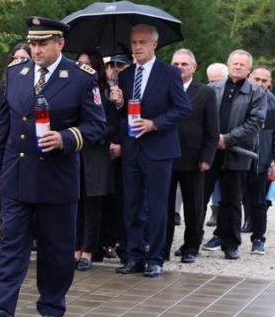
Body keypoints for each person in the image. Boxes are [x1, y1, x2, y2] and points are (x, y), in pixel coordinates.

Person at [0, 17, 108, 317]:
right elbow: (4, 125)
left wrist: (65, 138)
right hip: (18, 174)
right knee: (11, 244)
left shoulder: (80, 77)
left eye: (42, 43)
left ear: (59, 43)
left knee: (57, 249)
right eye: (32, 43)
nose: (35, 49)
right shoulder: (15, 73)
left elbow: (98, 125)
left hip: (57, 177)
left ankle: (51, 305)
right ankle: (2, 308)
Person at [108, 24, 191, 278]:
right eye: (133, 43)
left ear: (154, 44)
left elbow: (183, 109)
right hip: (132, 149)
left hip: (159, 149)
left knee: (156, 206)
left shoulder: (169, 73)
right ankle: (134, 256)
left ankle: (155, 258)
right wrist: (120, 103)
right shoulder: (125, 74)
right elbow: (124, 114)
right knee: (131, 205)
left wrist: (155, 124)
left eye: (143, 42)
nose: (137, 47)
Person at [202, 50, 266, 260]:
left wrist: (226, 139)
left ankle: (231, 244)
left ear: (249, 70)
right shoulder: (213, 88)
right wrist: (214, 139)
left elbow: (255, 124)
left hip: (237, 154)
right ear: (228, 66)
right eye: (234, 63)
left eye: (242, 64)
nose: (237, 67)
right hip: (210, 153)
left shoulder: (257, 93)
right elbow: (201, 116)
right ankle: (192, 242)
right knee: (199, 198)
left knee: (232, 201)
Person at [164, 49, 219, 265]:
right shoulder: (164, 90)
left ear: (194, 67)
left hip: (194, 158)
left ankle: (190, 247)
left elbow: (212, 128)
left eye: (184, 64)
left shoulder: (205, 93)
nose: (179, 68)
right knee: (165, 206)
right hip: (166, 157)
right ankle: (163, 247)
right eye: (175, 64)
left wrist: (207, 156)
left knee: (194, 206)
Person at [74, 50, 119, 270]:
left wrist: (89, 133)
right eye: (79, 63)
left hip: (96, 155)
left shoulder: (106, 92)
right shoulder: (71, 89)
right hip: (75, 153)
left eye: (88, 64)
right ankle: (75, 249)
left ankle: (88, 252)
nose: (82, 67)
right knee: (75, 204)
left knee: (92, 206)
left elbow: (112, 125)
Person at [0, 42, 32, 243]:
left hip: (27, 145)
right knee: (5, 192)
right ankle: (7, 233)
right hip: (7, 144)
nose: (19, 62)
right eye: (15, 58)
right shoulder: (2, 85)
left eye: (23, 58)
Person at [244, 65, 275, 255]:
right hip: (238, 158)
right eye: (256, 79)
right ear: (250, 78)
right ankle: (225, 236)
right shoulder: (240, 97)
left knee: (258, 201)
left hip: (260, 161)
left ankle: (258, 239)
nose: (260, 83)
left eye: (264, 80)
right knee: (231, 199)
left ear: (270, 83)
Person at [101, 54, 131, 260]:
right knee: (103, 200)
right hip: (102, 152)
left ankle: (122, 242)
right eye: (110, 65)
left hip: (125, 153)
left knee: (123, 201)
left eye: (120, 65)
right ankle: (104, 241)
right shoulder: (99, 89)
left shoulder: (133, 88)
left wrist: (123, 147)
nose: (115, 69)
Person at [203, 61, 229, 227]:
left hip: (228, 146)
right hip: (207, 146)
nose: (214, 85)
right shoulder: (204, 93)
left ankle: (218, 214)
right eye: (211, 81)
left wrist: (226, 139)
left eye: (218, 81)